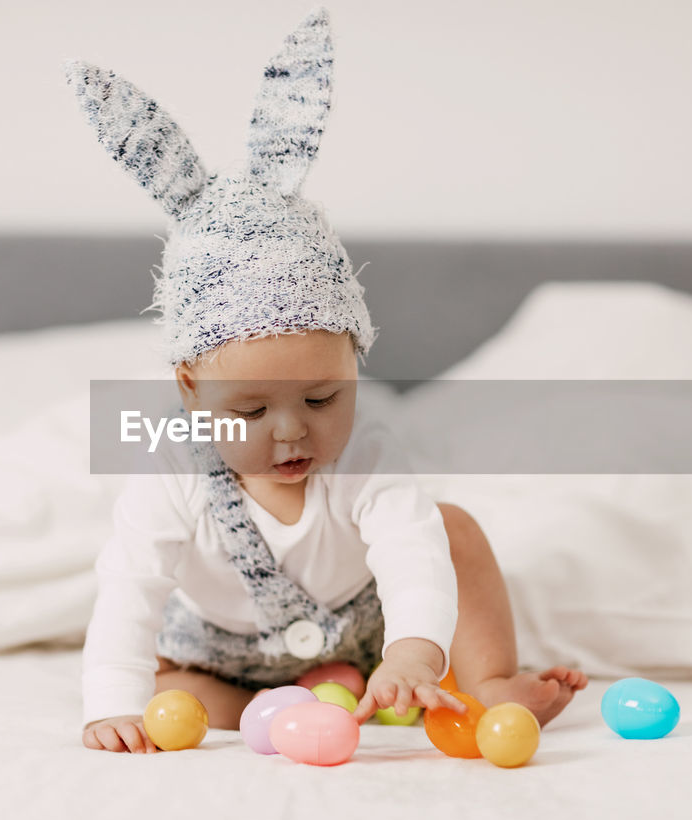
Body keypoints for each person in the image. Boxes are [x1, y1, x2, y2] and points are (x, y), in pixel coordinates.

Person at [66, 7, 586, 754]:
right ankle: (269, 702)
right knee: (166, 694)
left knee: (451, 529)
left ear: (356, 362)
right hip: (226, 648)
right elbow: (130, 586)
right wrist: (109, 704)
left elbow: (410, 553)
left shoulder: (365, 450)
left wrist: (413, 652)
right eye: (249, 408)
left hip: (369, 626)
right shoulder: (170, 465)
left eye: (321, 398)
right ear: (188, 389)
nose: (291, 430)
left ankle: (488, 678)